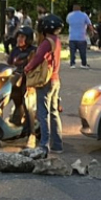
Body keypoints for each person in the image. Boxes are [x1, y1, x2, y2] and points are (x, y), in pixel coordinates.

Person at [25, 15, 63, 155]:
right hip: (55, 80)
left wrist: (27, 68)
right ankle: (57, 145)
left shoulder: (46, 42)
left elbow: (38, 57)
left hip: (45, 81)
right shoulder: (57, 40)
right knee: (53, 113)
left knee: (43, 113)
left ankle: (44, 145)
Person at [7, 27, 37, 145]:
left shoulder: (33, 51)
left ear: (29, 39)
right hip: (14, 80)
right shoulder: (14, 50)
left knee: (27, 104)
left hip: (28, 82)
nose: (20, 39)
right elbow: (9, 64)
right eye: (19, 36)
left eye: (23, 37)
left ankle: (31, 132)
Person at [65, 3, 93, 68]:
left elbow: (68, 22)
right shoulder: (84, 15)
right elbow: (89, 24)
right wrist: (92, 31)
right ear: (80, 8)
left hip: (72, 37)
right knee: (82, 52)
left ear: (73, 8)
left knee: (72, 52)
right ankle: (83, 64)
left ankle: (72, 64)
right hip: (81, 37)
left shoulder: (69, 15)